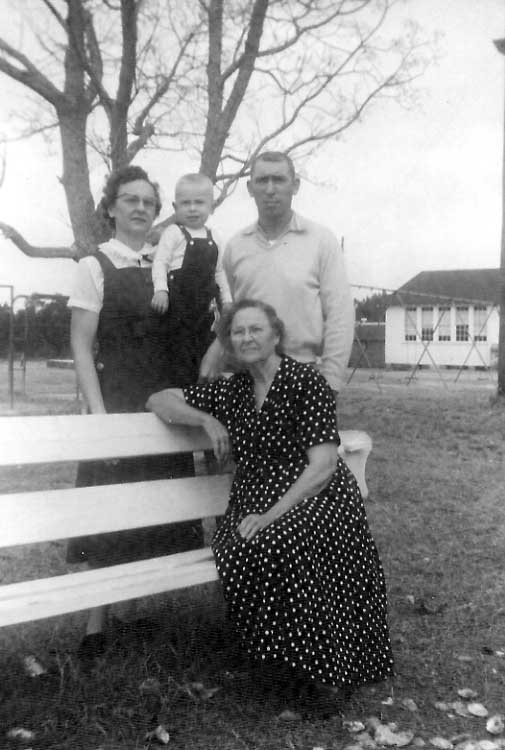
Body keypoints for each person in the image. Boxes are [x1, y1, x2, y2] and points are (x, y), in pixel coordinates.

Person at [147, 299, 393, 710]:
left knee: (286, 538)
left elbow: (323, 465)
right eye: (237, 332)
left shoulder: (305, 382)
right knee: (239, 546)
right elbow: (159, 399)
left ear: (276, 336)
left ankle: (328, 673)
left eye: (255, 329)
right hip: (253, 499)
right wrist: (206, 420)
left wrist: (271, 515)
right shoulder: (231, 390)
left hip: (317, 493)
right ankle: (278, 666)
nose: (246, 338)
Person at [67, 165, 204, 662]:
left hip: (165, 402)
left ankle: (127, 611)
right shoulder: (94, 265)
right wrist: (99, 414)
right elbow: (82, 346)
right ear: (111, 207)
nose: (141, 208)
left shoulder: (169, 259)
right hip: (118, 401)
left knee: (154, 504)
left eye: (149, 200)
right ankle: (95, 624)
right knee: (110, 508)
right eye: (131, 199)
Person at [215, 151, 355, 401]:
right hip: (248, 378)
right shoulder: (235, 246)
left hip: (304, 374)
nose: (270, 189)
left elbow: (340, 315)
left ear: (295, 185)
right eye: (262, 180)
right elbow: (228, 315)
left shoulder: (321, 241)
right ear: (250, 188)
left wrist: (330, 382)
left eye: (279, 180)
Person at [150, 173, 231, 384]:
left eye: (199, 203)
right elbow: (160, 263)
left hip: (204, 310)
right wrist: (161, 290)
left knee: (205, 355)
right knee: (178, 357)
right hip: (178, 309)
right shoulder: (173, 233)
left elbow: (219, 272)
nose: (192, 208)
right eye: (186, 203)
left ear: (211, 206)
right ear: (176, 207)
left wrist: (229, 301)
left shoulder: (216, 237)